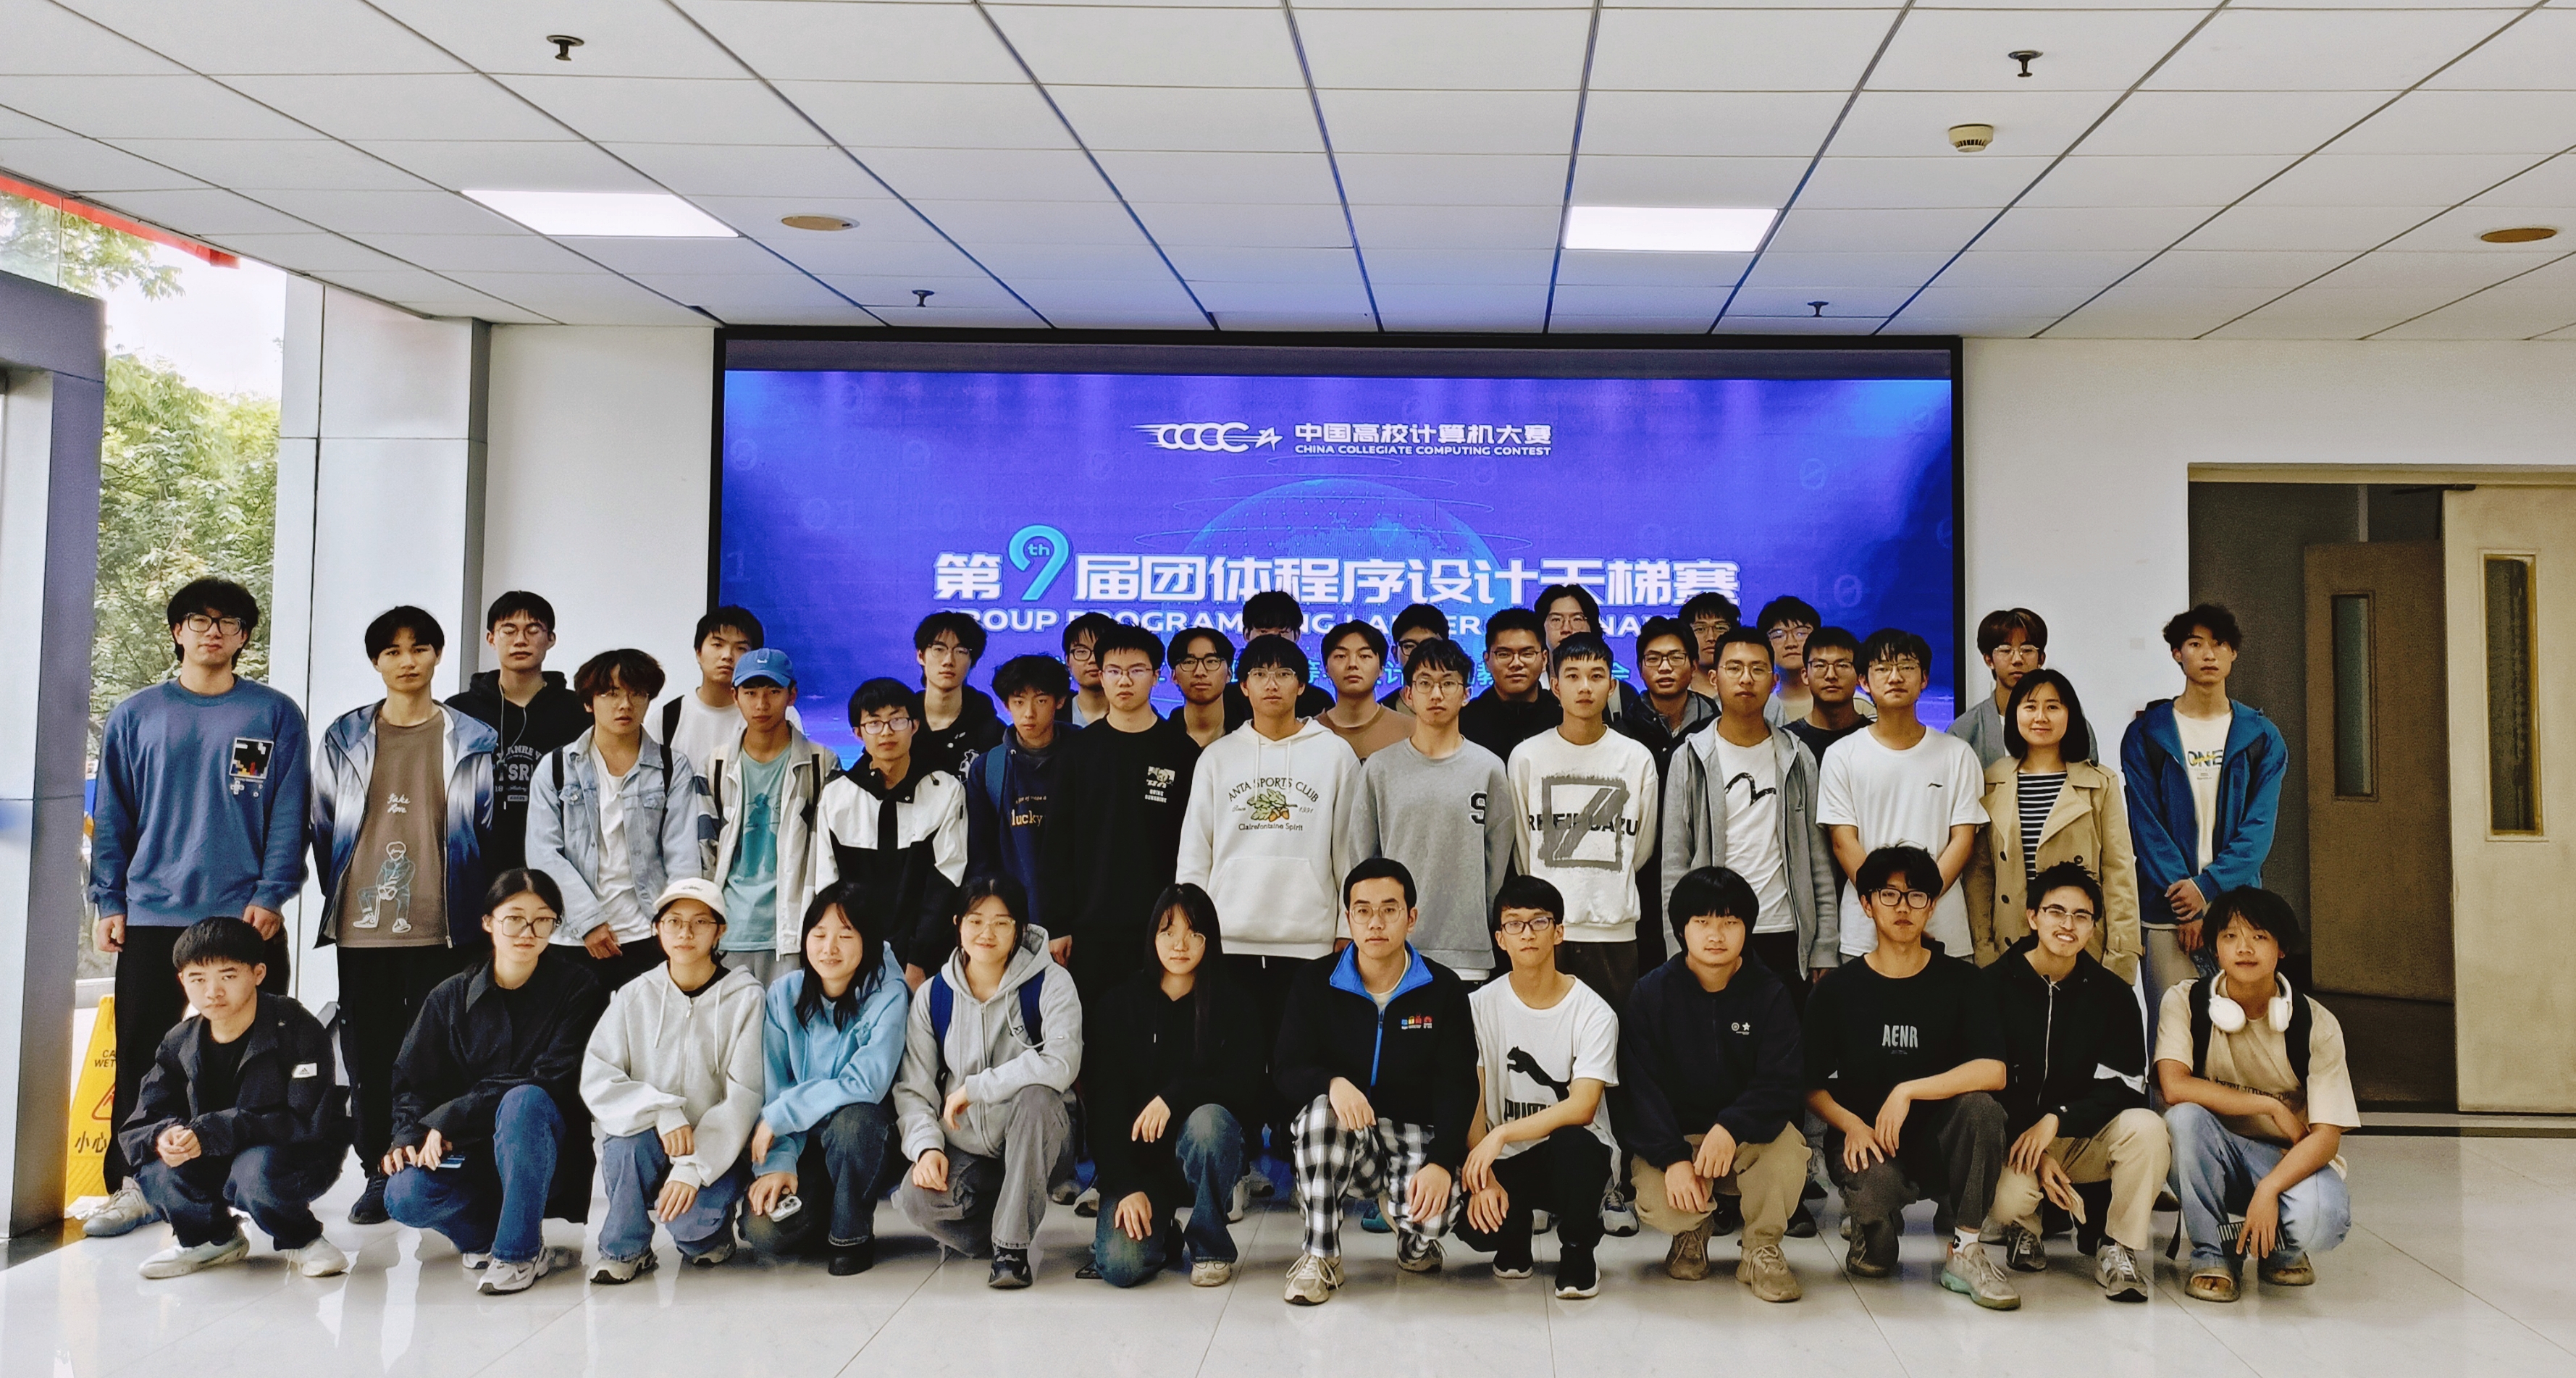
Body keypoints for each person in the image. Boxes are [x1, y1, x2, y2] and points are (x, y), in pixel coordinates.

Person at [86, 578, 310, 1239]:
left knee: (258, 1057)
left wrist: (271, 893)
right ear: (177, 631)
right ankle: (135, 1184)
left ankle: (256, 1182)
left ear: (244, 636)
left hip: (244, 915)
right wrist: (109, 898)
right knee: (142, 1055)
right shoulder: (137, 714)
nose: (213, 631)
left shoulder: (272, 713)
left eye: (228, 621)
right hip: (153, 911)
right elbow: (114, 815)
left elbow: (289, 811)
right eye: (199, 619)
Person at [311, 606, 498, 1227]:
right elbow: (322, 826)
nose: (407, 660)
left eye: (419, 647)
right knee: (369, 1057)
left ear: (437, 655)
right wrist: (348, 896)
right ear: (376, 662)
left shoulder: (473, 737)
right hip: (363, 926)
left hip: (446, 923)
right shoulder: (345, 736)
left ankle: (434, 1164)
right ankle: (377, 1169)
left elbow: (488, 829)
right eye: (392, 651)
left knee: (441, 1054)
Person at [1804, 846, 2015, 1309]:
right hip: (1868, 1141)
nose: (1903, 907)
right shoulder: (1838, 990)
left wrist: (1908, 1091)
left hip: (1940, 1141)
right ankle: (1874, 1227)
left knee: (1982, 1110)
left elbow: (1994, 1071)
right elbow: (1809, 1084)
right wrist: (1851, 1125)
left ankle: (1966, 1249)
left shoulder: (1963, 982)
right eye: (1889, 894)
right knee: (1876, 1261)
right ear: (1867, 904)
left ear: (1932, 906)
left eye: (1916, 895)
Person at [382, 870, 609, 1295]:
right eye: (514, 918)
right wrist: (408, 1135)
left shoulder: (579, 989)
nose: (528, 932)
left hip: (541, 1149)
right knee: (404, 1195)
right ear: (488, 922)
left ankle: (518, 1255)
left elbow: (552, 1078)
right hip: (466, 1152)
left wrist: (451, 1117)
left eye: (543, 920)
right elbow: (413, 1080)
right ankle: (487, 1238)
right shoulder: (450, 997)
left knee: (524, 1100)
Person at [1179, 633, 1359, 1162]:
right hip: (1229, 938)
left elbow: (1349, 847)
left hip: (1307, 939)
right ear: (1243, 686)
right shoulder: (1218, 757)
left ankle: (1301, 1164)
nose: (1271, 684)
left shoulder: (1335, 754)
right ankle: (1239, 1167)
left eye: (1283, 674)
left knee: (1297, 1057)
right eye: (1259, 674)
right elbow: (1195, 849)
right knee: (1235, 1058)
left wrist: (1344, 925)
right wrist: (1194, 926)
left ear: (1302, 685)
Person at [1275, 860, 1477, 1306]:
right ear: (1348, 918)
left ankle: (1413, 1242)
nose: (1376, 923)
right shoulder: (1315, 982)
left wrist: (1442, 1162)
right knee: (1321, 1116)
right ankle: (1321, 1255)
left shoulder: (1443, 988)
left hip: (1414, 1134)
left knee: (1435, 1215)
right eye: (1363, 911)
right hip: (1349, 1134)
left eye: (1389, 909)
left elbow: (1459, 1084)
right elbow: (1286, 1068)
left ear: (1411, 917)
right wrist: (1332, 1082)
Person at [1615, 867, 1809, 1303]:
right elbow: (1638, 1091)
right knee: (1658, 1197)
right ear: (1681, 929)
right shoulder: (1650, 994)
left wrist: (1731, 1127)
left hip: (1748, 1140)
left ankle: (1761, 1248)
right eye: (1702, 922)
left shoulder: (1771, 993)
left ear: (1747, 929)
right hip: (1678, 1139)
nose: (1716, 935)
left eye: (1730, 922)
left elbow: (1781, 1082)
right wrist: (1673, 1157)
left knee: (1788, 1153)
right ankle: (1692, 1231)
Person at [122, 917, 349, 1280]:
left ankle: (303, 1238)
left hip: (294, 1156)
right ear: (182, 981)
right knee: (158, 1168)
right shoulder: (180, 1041)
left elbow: (306, 1123)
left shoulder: (296, 1028)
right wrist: (164, 1136)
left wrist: (214, 1131)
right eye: (198, 979)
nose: (212, 991)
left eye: (227, 976)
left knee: (255, 1171)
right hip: (215, 1153)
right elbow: (141, 1121)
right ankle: (211, 1239)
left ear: (258, 973)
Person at [2157, 888, 2355, 1303]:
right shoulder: (2186, 1002)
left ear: (2281, 949)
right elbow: (2174, 1086)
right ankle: (2213, 1253)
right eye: (2230, 936)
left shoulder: (2316, 1024)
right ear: (2215, 947)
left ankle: (2280, 1247)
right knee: (2183, 1119)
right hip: (2211, 1154)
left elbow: (2326, 1137)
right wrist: (2270, 1106)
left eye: (2259, 937)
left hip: (2283, 1160)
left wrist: (2269, 1189)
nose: (2244, 949)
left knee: (2325, 1222)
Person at [1984, 864, 2168, 1303]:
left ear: (2092, 926)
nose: (2068, 925)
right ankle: (2023, 1228)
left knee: (2148, 1129)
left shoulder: (2112, 995)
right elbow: (1983, 1086)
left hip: (2082, 1138)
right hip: (2016, 1141)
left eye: (2081, 916)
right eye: (2056, 912)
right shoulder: (1991, 986)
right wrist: (2037, 1147)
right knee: (2009, 1199)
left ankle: (2118, 1245)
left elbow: (2125, 1086)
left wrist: (2058, 1120)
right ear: (2032, 917)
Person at [895, 876, 1084, 1288]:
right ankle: (1002, 1224)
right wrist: (926, 1147)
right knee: (915, 1199)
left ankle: (1011, 1251)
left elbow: (1061, 1062)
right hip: (971, 1151)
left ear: (1019, 929)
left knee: (1037, 1097)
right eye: (976, 920)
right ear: (958, 924)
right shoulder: (934, 996)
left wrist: (977, 1088)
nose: (987, 933)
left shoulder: (1051, 983)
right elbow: (913, 1088)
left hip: (1043, 1139)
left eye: (1002, 922)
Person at [581, 878, 766, 1282]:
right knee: (625, 1145)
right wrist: (663, 1112)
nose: (685, 933)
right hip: (651, 1136)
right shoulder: (633, 995)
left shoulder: (746, 998)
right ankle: (625, 1249)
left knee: (692, 1232)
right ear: (657, 928)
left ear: (720, 931)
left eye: (700, 922)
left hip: (715, 1148)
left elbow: (745, 1095)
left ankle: (709, 1234)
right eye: (674, 921)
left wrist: (691, 1169)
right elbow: (599, 1077)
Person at [1083, 883, 1263, 1288]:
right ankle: (1165, 1235)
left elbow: (1247, 1090)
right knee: (1121, 1267)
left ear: (1209, 940)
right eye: (1168, 932)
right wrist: (1125, 1185)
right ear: (1152, 936)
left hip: (1202, 1156)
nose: (1180, 945)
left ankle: (1210, 1246)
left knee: (1208, 1123)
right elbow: (1104, 1105)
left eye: (1193, 933)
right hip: (1139, 1166)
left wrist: (1175, 1096)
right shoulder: (1118, 1005)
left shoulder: (1234, 1005)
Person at [2123, 603, 2288, 1033]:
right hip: (2166, 909)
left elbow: (2258, 830)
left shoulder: (2261, 735)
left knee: (2242, 1027)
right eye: (2196, 644)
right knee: (2173, 1028)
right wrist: (2186, 904)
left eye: (2219, 644)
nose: (2209, 654)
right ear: (2177, 653)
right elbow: (2146, 825)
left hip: (2237, 907)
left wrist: (2206, 888)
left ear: (2234, 653)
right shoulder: (2147, 733)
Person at [1456, 876, 1620, 1301]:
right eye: (1514, 923)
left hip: (1570, 1157)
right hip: (1505, 1161)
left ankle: (1579, 1251)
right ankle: (1514, 1236)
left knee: (1575, 1144)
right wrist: (1485, 1178)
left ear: (1559, 932)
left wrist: (1501, 1134)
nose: (1527, 933)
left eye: (1539, 921)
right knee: (1475, 1227)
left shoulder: (1593, 1012)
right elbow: (1473, 1100)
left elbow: (1582, 1107)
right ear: (1500, 939)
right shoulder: (1477, 1007)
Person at [1658, 626, 1839, 1005]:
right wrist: (1678, 945)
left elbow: (1818, 859)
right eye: (1735, 668)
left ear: (1774, 681)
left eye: (1758, 669)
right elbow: (1675, 862)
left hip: (1786, 931)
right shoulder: (1690, 757)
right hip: (1713, 933)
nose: (1746, 679)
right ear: (1714, 678)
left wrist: (1824, 945)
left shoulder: (1798, 756)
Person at [744, 882, 910, 1274]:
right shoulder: (784, 994)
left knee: (854, 1122)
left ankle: (851, 1236)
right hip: (804, 1145)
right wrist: (778, 1162)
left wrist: (782, 1115)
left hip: (866, 1140)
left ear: (867, 940)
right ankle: (824, 1209)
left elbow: (866, 1083)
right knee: (764, 1233)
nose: (829, 948)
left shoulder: (889, 993)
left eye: (845, 936)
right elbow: (774, 1086)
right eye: (818, 935)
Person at [526, 648, 711, 992]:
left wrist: (674, 925)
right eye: (611, 694)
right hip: (573, 936)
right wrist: (589, 922)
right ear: (588, 702)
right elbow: (543, 855)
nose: (625, 705)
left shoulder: (672, 768)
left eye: (636, 693)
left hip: (649, 934)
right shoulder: (556, 768)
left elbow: (683, 855)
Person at [1041, 624, 1201, 996]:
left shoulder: (1182, 752)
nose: (1124, 680)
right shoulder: (1076, 753)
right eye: (1114, 671)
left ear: (1156, 676)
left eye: (1137, 670)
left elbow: (1194, 844)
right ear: (1100, 676)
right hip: (1089, 928)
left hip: (1163, 927)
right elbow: (1056, 844)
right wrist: (1057, 924)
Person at [1347, 639, 1514, 984]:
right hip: (1394, 949)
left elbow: (1497, 863)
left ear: (1466, 694)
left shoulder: (1489, 768)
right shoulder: (1380, 768)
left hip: (1467, 951)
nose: (1436, 694)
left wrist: (1485, 920)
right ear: (1408, 694)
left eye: (1448, 683)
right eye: (1425, 683)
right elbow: (1363, 859)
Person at [1508, 632, 1659, 1009]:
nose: (1585, 687)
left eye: (1597, 676)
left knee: (1613, 1038)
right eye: (1573, 676)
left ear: (1613, 686)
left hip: (1614, 932)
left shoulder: (1636, 758)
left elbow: (1640, 849)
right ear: (1555, 686)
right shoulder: (1526, 757)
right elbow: (1524, 849)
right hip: (1545, 930)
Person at [1816, 629, 1986, 962]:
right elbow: (1843, 842)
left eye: (1907, 667)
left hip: (1943, 928)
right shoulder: (1842, 755)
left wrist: (1920, 903)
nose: (1895, 677)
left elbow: (1963, 841)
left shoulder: (1957, 754)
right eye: (1882, 668)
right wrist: (1887, 906)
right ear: (1864, 681)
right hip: (1866, 934)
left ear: (1924, 679)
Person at [1963, 668, 2141, 983]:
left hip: (2082, 944)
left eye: (2053, 707)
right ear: (2015, 714)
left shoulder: (2100, 783)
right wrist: (1984, 949)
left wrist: (2120, 958)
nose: (2040, 717)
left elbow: (2119, 875)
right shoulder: (1992, 780)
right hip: (2010, 947)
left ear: (2070, 715)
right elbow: (1981, 875)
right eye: (2030, 706)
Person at [814, 677, 969, 986]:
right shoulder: (837, 796)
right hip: (854, 957)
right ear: (857, 733)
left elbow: (946, 880)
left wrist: (918, 959)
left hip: (926, 960)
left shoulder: (944, 790)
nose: (886, 732)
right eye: (874, 723)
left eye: (897, 720)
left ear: (914, 726)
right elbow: (827, 885)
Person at [702, 647, 838, 991]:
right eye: (750, 692)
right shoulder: (716, 764)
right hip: (729, 929)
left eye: (773, 692)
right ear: (735, 696)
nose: (761, 704)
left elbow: (830, 854)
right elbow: (704, 848)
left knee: (787, 1022)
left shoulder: (822, 763)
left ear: (792, 695)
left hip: (792, 928)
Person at [447, 590, 588, 875]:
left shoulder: (579, 710)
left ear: (551, 638)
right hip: (476, 864)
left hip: (560, 862)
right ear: (491, 638)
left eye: (533, 630)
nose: (520, 640)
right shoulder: (460, 711)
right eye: (508, 630)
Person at [1620, 616, 1716, 966]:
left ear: (1694, 665)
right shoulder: (1621, 735)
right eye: (1654, 659)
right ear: (1640, 668)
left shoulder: (1717, 731)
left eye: (1675, 658)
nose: (1665, 667)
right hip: (1638, 880)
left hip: (1704, 869)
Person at [967, 653, 1070, 929]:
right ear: (1006, 704)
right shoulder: (988, 768)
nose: (1029, 713)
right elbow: (981, 861)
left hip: (1081, 921)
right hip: (1015, 920)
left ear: (1060, 701)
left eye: (1041, 700)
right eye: (1019, 701)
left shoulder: (1086, 755)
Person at [658, 606, 800, 774]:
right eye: (717, 645)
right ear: (698, 652)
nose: (727, 655)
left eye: (741, 648)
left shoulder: (781, 713)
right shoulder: (667, 718)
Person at [1952, 608, 2090, 770]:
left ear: (2041, 659)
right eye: (2005, 650)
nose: (2017, 659)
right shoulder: (1965, 730)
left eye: (2027, 650)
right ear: (1989, 660)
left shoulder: (2072, 725)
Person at [1535, 583, 1650, 728]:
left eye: (1577, 619)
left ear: (1592, 626)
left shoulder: (1620, 695)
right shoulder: (1533, 691)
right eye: (1556, 620)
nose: (1566, 628)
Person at [1222, 590, 1335, 728]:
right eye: (1264, 632)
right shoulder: (1226, 698)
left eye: (1282, 632)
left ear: (1297, 635)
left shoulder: (1318, 701)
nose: (1273, 640)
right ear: (1246, 634)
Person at [914, 610, 1006, 776]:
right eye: (939, 649)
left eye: (961, 651)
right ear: (921, 656)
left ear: (973, 661)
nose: (948, 661)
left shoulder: (994, 734)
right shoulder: (899, 725)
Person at [1461, 607, 1560, 761]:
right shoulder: (1464, 722)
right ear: (1487, 661)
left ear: (1544, 659)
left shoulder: (1562, 717)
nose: (1516, 663)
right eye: (1504, 654)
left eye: (1527, 654)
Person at [1318, 621, 1411, 759]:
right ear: (1326, 668)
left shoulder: (1410, 731)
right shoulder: (1310, 732)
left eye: (1364, 656)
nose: (1352, 664)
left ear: (1381, 668)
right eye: (1341, 656)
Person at [1784, 625, 1871, 765]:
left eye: (1842, 665)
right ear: (1805, 675)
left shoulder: (1875, 739)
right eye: (1820, 665)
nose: (1831, 675)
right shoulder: (1787, 742)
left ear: (1859, 676)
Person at [1166, 626, 1233, 748]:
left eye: (1212, 661)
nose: (1200, 672)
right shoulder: (1160, 740)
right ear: (1174, 676)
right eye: (1189, 662)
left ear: (1229, 674)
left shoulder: (1249, 739)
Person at [1381, 603, 1449, 714]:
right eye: (1409, 646)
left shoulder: (1468, 716)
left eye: (1429, 645)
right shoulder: (1378, 715)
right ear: (1395, 654)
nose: (1419, 654)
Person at [1680, 591, 1740, 701]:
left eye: (1720, 628)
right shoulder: (1674, 694)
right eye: (1700, 629)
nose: (1711, 637)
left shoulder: (1752, 694)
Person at [1062, 611, 1118, 728]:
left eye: (1101, 651)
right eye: (1082, 652)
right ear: (1068, 661)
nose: (1093, 660)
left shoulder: (1140, 716)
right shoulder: (1052, 714)